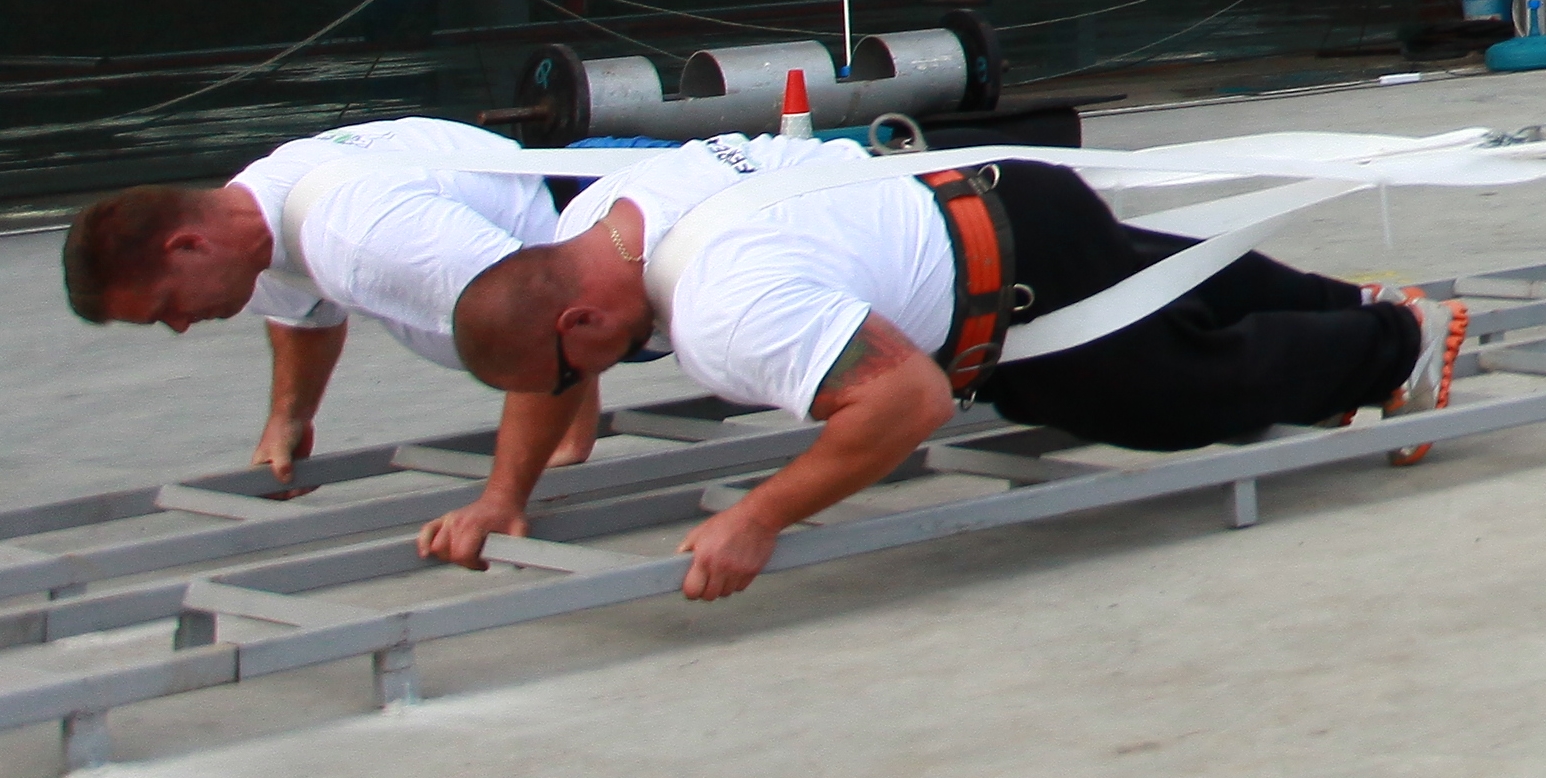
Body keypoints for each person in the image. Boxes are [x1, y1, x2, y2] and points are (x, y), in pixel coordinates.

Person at [441, 131, 1469, 601]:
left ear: (579, 313)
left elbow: (908, 400)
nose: (579, 386)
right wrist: (502, 496)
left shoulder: (722, 311)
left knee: (1176, 392)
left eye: (575, 366)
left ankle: (1396, 345)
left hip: (1006, 291)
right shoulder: (601, 212)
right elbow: (542, 361)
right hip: (1000, 193)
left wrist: (759, 515)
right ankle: (1356, 309)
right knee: (1151, 279)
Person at [61, 115, 599, 540]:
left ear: (187, 246)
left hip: (610, 211)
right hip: (568, 235)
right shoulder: (251, 218)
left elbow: (549, 317)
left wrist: (503, 498)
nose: (180, 326)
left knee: (545, 316)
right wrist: (289, 417)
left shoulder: (358, 235)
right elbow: (301, 310)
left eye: (167, 306)